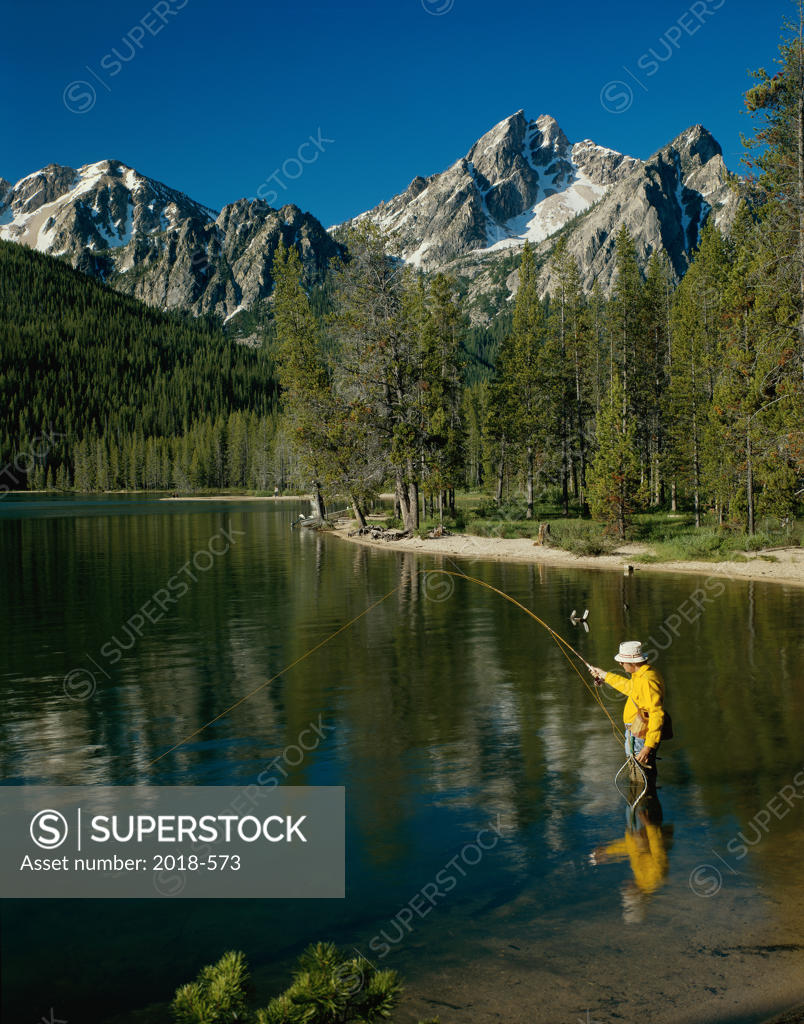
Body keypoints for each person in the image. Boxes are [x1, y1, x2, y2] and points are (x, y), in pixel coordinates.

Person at [587, 640, 666, 776]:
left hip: (640, 738)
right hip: (638, 736)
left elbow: (656, 714)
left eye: (622, 661)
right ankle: (645, 795)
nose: (620, 664)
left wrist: (648, 747)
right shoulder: (644, 674)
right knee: (640, 777)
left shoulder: (646, 681)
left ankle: (643, 796)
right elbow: (628, 687)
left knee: (640, 778)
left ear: (633, 663)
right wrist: (604, 675)